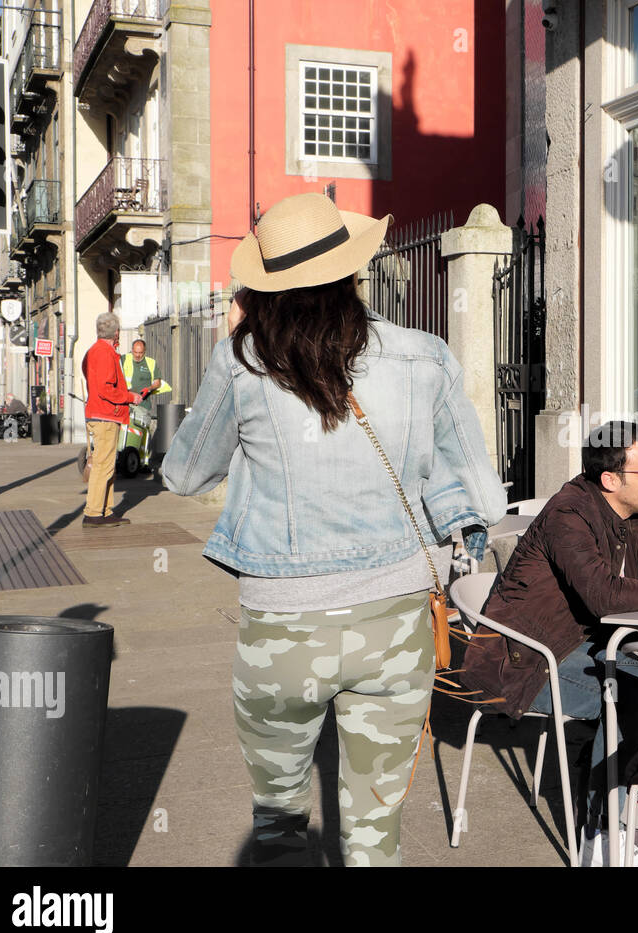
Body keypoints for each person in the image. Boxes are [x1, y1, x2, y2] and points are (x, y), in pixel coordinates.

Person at [161, 192, 506, 866]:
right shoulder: (425, 356)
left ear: (266, 290)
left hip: (281, 628)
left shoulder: (245, 361)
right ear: (354, 274)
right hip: (396, 620)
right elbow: (481, 495)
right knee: (376, 829)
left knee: (281, 825)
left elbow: (184, 475)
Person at [461, 421, 638, 866]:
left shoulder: (628, 512)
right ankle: (603, 836)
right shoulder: (568, 515)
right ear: (610, 479)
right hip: (521, 662)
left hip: (574, 645)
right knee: (637, 698)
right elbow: (603, 595)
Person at [81, 314, 145, 527]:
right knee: (103, 466)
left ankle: (105, 510)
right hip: (106, 415)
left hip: (98, 413)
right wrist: (130, 397)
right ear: (116, 332)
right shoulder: (106, 353)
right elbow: (106, 388)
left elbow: (89, 375)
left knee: (107, 465)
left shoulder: (93, 351)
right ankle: (93, 512)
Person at [120, 338, 171, 420]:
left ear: (144, 351)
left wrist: (149, 388)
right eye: (135, 352)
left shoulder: (151, 363)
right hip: (126, 403)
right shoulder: (124, 359)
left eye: (140, 353)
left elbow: (157, 382)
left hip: (143, 405)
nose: (137, 355)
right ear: (132, 350)